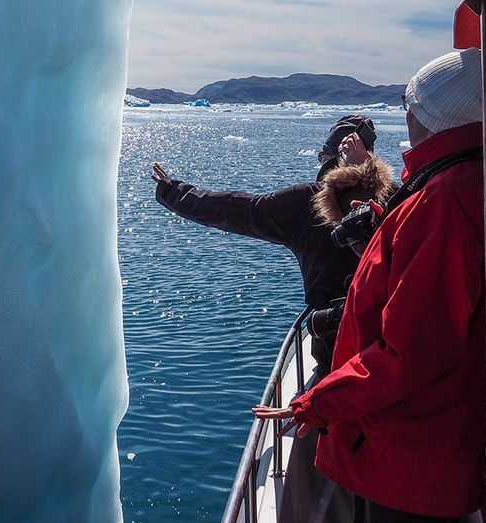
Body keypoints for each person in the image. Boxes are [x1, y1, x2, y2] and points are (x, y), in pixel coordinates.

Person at [255, 48, 486, 523]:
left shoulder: (443, 199)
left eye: (410, 105)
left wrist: (317, 402)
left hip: (409, 455)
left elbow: (409, 353)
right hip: (438, 446)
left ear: (429, 115)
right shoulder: (459, 180)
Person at [151, 114, 394, 380]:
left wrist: (173, 192)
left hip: (334, 354)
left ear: (330, 158)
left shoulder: (308, 202)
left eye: (321, 157)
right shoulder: (397, 196)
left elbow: (238, 209)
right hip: (389, 346)